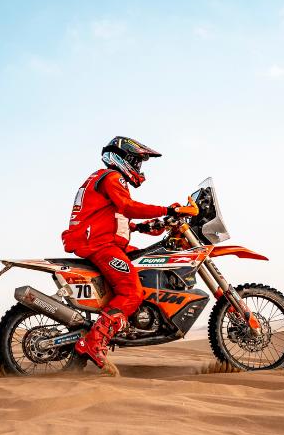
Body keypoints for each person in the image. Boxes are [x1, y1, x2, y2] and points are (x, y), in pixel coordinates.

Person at [61, 136, 198, 369]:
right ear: (123, 158)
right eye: (136, 161)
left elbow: (112, 216)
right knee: (132, 292)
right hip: (101, 246)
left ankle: (129, 321)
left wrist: (144, 227)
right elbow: (127, 208)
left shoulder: (103, 179)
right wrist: (169, 209)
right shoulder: (113, 177)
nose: (138, 168)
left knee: (148, 262)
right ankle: (94, 342)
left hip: (104, 241)